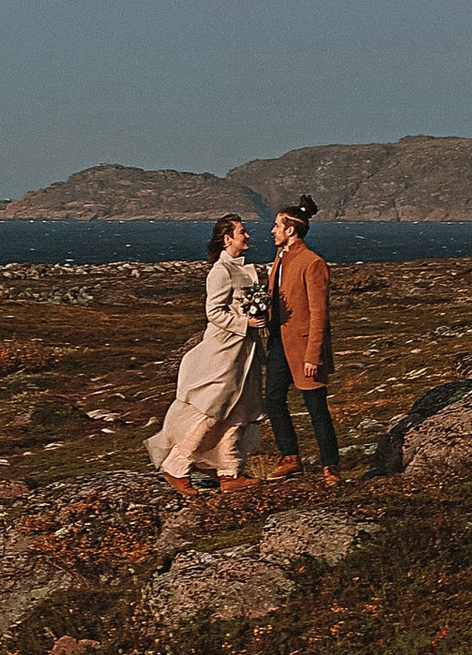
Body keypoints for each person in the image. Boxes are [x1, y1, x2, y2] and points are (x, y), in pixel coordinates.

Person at [145, 214, 267, 486]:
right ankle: (177, 465)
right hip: (224, 351)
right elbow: (213, 312)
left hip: (246, 352)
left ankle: (230, 471)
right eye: (242, 232)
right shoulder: (220, 271)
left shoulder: (246, 269)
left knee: (241, 411)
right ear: (227, 239)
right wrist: (243, 322)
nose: (247, 236)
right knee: (213, 408)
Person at [261, 197, 339, 482]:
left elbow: (319, 313)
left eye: (277, 225)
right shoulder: (280, 260)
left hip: (305, 346)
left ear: (290, 230)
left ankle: (330, 466)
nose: (272, 231)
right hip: (279, 344)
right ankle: (290, 457)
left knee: (316, 408)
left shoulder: (313, 262)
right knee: (273, 400)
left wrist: (313, 355)